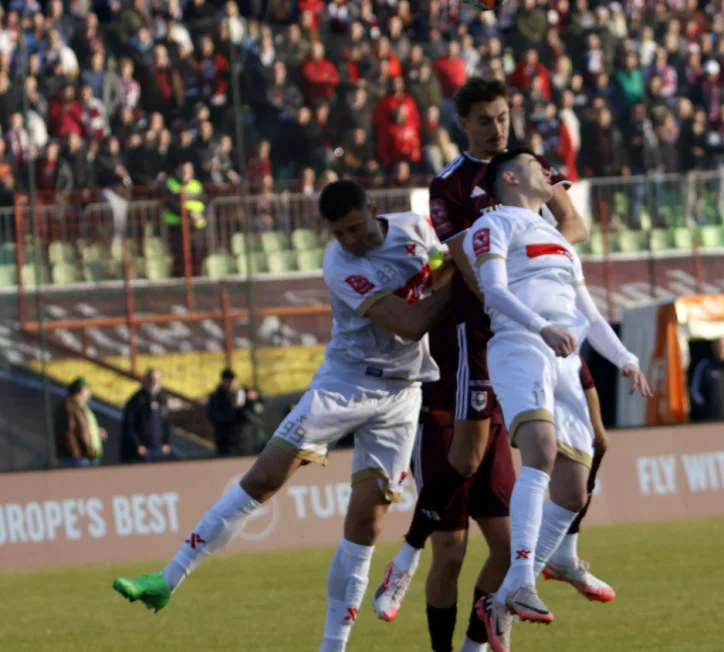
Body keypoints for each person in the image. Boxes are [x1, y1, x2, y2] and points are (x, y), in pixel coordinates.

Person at [112, 180, 454, 652]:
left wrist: (446, 269)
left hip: (402, 393)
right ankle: (168, 578)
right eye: (340, 234)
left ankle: (332, 647)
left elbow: (436, 274)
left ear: (373, 211)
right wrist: (462, 278)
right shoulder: (339, 267)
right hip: (346, 381)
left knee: (368, 522)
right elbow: (414, 322)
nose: (350, 241)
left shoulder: (415, 227)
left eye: (355, 228)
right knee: (265, 477)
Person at [373, 77, 606, 652]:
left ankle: (562, 556)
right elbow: (465, 265)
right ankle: (407, 558)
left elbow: (574, 225)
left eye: (502, 116)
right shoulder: (449, 185)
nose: (496, 128)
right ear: (464, 124)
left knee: (597, 439)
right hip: (485, 330)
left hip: (550, 321)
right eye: (484, 120)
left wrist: (538, 245)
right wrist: (516, 309)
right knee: (472, 453)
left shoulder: (529, 165)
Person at [462, 148, 651, 652]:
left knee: (572, 488)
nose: (549, 172)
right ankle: (522, 578)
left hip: (565, 358)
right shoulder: (495, 223)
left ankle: (499, 602)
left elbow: (587, 313)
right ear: (510, 177)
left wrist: (626, 358)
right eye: (535, 165)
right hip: (523, 344)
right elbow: (494, 291)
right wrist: (540, 327)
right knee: (541, 451)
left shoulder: (559, 240)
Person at [206, 369, 265, 457]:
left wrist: (253, 398)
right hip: (225, 439)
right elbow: (214, 415)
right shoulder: (217, 397)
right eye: (227, 381)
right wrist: (233, 410)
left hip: (244, 437)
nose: (230, 384)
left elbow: (258, 404)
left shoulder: (242, 392)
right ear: (223, 381)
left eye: (232, 381)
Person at [121, 369, 175, 463]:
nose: (154, 382)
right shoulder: (137, 400)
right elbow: (128, 425)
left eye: (157, 380)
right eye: (151, 379)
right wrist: (138, 445)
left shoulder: (162, 399)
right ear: (145, 380)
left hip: (160, 449)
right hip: (143, 451)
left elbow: (167, 423)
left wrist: (167, 442)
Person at [55, 377, 105, 467]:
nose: (89, 392)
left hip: (88, 457)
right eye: (87, 389)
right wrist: (76, 454)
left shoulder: (82, 406)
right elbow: (68, 432)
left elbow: (84, 428)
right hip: (79, 458)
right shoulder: (69, 407)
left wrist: (95, 433)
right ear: (80, 390)